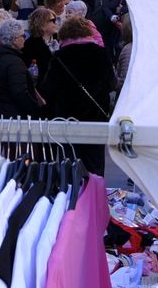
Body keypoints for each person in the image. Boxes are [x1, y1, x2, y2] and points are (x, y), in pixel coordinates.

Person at [39, 16, 118, 176]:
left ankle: (73, 198)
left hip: (67, 119)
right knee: (95, 164)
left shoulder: (60, 56)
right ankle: (94, 197)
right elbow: (112, 84)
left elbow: (48, 88)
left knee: (70, 164)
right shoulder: (100, 54)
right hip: (95, 118)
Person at [0, 18, 42, 117]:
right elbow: (19, 93)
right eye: (23, 35)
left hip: (2, 111)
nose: (25, 38)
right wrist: (35, 110)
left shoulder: (0, 57)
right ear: (14, 39)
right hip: (13, 115)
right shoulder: (14, 62)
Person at [23, 6, 59, 86]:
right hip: (42, 87)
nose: (56, 23)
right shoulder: (30, 45)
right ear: (42, 24)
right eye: (52, 20)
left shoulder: (60, 40)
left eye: (55, 20)